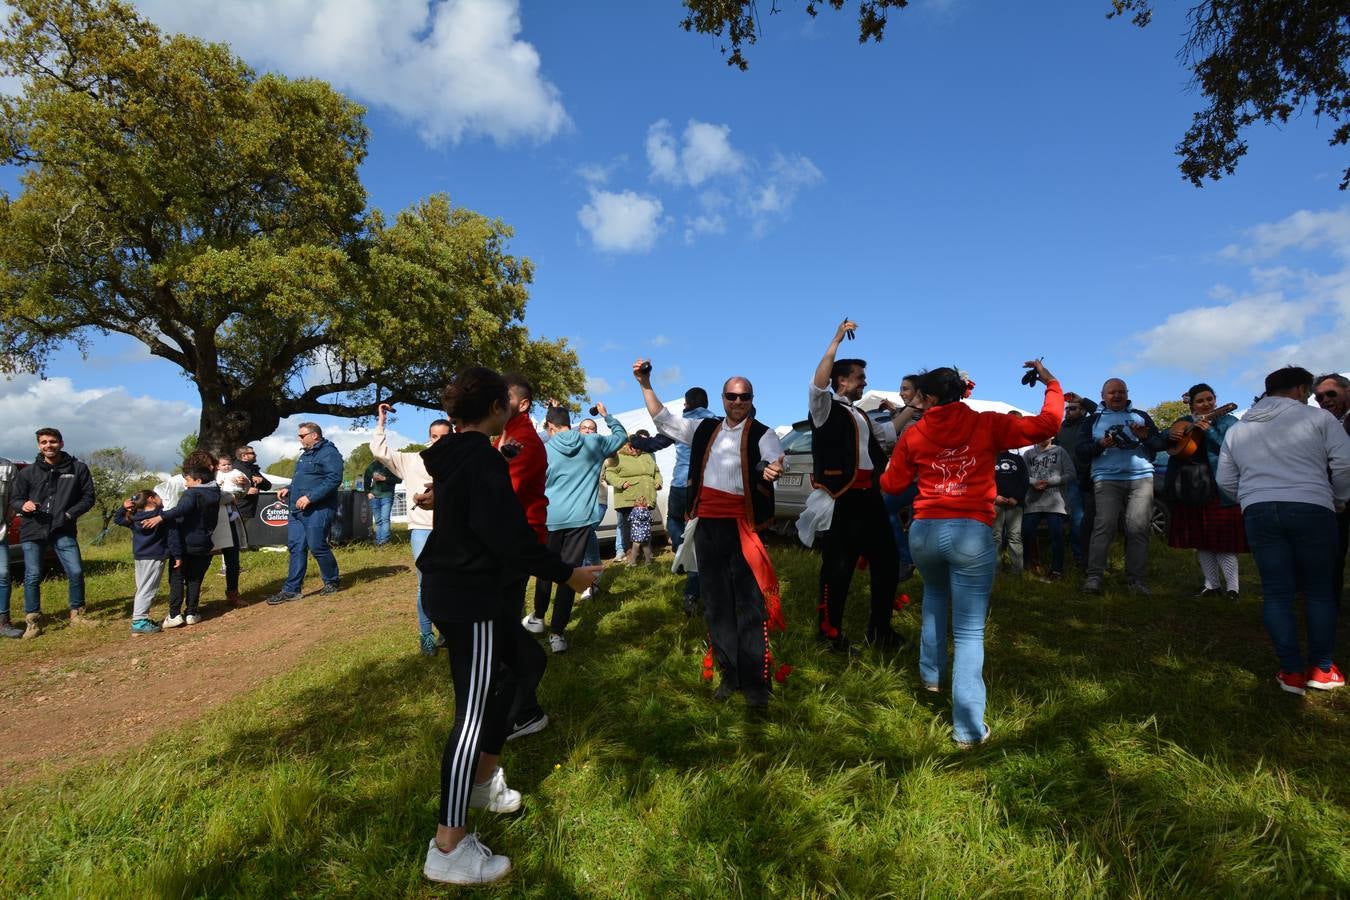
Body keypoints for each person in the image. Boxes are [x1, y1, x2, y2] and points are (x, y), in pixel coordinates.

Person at [416, 367, 600, 885]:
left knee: (527, 662)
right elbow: (508, 537)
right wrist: (569, 573)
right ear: (498, 407)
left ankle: (481, 780)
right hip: (468, 595)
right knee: (470, 716)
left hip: (468, 588)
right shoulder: (477, 460)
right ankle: (447, 848)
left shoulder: (462, 456)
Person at [881, 360, 1062, 748]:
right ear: (962, 392)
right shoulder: (988, 423)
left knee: (932, 596)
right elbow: (1047, 426)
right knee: (968, 630)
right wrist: (1051, 384)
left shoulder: (913, 434)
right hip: (970, 531)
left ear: (927, 398)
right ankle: (967, 729)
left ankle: (930, 675)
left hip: (925, 530)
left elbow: (892, 483)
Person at [636, 359, 786, 707]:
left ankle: (755, 685)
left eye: (744, 397)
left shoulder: (764, 433)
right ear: (722, 398)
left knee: (749, 606)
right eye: (732, 397)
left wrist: (773, 468)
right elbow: (663, 420)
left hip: (742, 528)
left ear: (752, 399)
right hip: (707, 527)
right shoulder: (703, 428)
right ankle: (729, 674)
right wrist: (645, 384)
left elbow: (775, 458)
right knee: (716, 605)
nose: (737, 402)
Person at [1217, 366, 1350, 694]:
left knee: (1276, 592)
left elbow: (1224, 481)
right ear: (1301, 388)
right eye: (1308, 392)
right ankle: (1321, 669)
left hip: (1259, 510)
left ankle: (1290, 671)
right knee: (1319, 590)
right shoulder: (1319, 420)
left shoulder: (1239, 429)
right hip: (1313, 506)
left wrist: (1248, 498)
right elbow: (1345, 464)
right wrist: (1340, 498)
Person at [799, 320, 905, 652]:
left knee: (888, 562)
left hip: (869, 498)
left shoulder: (860, 414)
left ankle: (880, 630)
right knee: (838, 569)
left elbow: (888, 434)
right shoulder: (824, 407)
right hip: (842, 498)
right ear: (841, 381)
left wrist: (914, 408)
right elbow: (817, 385)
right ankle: (830, 635)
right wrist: (834, 341)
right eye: (860, 377)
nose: (865, 382)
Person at [526, 403, 627, 652]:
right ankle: (558, 635)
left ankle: (538, 618)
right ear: (569, 424)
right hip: (581, 520)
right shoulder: (592, 443)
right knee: (569, 576)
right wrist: (607, 416)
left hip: (550, 518)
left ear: (550, 427)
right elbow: (622, 437)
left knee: (545, 570)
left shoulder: (545, 450)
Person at [495, 373, 552, 741]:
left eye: (502, 397)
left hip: (515, 543)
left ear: (523, 403)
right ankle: (513, 704)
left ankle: (524, 711)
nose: (495, 403)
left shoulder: (523, 440)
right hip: (506, 540)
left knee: (502, 626)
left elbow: (502, 492)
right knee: (500, 623)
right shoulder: (504, 435)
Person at [371, 406, 452, 654]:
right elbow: (379, 451)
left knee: (451, 584)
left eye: (444, 436)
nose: (438, 441)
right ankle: (426, 634)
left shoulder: (459, 460)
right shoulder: (413, 459)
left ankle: (447, 632)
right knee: (425, 584)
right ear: (429, 436)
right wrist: (381, 423)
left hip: (451, 529)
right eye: (434, 436)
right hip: (422, 529)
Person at [1076, 379, 1167, 595]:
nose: (1116, 396)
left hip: (1141, 476)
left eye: (1120, 392)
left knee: (1138, 529)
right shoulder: (1093, 421)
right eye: (1111, 392)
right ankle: (1094, 577)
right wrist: (1099, 445)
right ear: (1103, 395)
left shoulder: (1141, 416)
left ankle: (1136, 580)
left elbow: (1160, 445)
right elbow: (1080, 451)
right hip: (1106, 478)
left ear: (1127, 393)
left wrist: (1146, 437)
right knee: (1104, 526)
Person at [10, 427, 96, 636]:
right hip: (33, 529)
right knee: (32, 575)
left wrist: (69, 514)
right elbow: (15, 499)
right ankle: (33, 621)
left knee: (75, 571)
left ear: (61, 443)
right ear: (39, 446)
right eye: (44, 442)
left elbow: (88, 497)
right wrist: (24, 506)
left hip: (62, 528)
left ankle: (77, 613)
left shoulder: (78, 468)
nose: (48, 445)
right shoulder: (29, 472)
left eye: (53, 441)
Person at [1164, 384, 1246, 599]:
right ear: (1191, 404)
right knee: (1200, 538)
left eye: (1210, 399)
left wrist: (1209, 431)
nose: (1206, 404)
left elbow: (1233, 447)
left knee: (1223, 539)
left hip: (1220, 485)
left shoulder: (1228, 421)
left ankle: (1233, 588)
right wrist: (1171, 432)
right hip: (1192, 486)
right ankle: (1211, 585)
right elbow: (1166, 438)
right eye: (1200, 401)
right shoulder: (1184, 420)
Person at [267, 422, 343, 605]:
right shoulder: (305, 455)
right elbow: (304, 480)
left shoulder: (329, 453)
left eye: (302, 436)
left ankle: (332, 581)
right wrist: (288, 488)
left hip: (318, 509)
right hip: (296, 509)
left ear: (314, 435)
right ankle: (291, 590)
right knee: (296, 547)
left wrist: (310, 497)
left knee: (317, 546)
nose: (299, 439)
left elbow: (334, 479)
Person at [144, 458, 221, 627]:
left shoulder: (192, 493)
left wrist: (161, 517)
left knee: (177, 578)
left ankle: (174, 615)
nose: (186, 484)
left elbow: (182, 509)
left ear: (198, 481)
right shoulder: (215, 492)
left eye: (188, 480)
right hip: (204, 542)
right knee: (195, 579)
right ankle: (192, 613)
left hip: (185, 542)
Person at [880, 373, 922, 583]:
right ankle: (905, 559)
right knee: (885, 509)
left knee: (917, 522)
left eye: (906, 388)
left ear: (919, 393)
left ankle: (910, 560)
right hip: (905, 481)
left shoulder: (928, 417)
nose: (901, 392)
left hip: (922, 482)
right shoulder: (904, 416)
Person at [1313, 373, 1350, 605]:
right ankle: (1330, 603)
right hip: (1338, 497)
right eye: (1318, 397)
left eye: (1330, 394)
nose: (1324, 400)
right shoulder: (1327, 424)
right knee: (1334, 552)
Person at [114, 490, 170, 633]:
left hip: (140, 556)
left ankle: (140, 619)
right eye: (158, 496)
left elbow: (117, 519)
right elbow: (171, 513)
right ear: (151, 499)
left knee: (142, 587)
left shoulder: (134, 517)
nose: (161, 498)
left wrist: (123, 508)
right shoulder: (159, 516)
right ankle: (139, 621)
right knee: (148, 589)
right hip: (154, 556)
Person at [1021, 435, 1075, 579]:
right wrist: (1033, 482)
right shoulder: (1028, 453)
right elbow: (1022, 475)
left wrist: (1050, 481)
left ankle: (1056, 569)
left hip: (1055, 501)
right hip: (1033, 501)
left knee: (1057, 534)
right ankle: (1028, 565)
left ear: (1052, 436)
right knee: (1026, 531)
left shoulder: (1060, 451)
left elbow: (1071, 474)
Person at [604, 432, 662, 565]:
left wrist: (658, 482)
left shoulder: (647, 455)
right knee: (629, 527)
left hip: (646, 497)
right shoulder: (618, 456)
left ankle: (646, 554)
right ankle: (631, 554)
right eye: (632, 444)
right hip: (627, 498)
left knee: (645, 526)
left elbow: (656, 472)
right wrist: (621, 483)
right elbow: (609, 473)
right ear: (627, 444)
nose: (635, 447)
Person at [1053, 393, 1092, 567]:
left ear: (1083, 411)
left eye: (1073, 408)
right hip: (1071, 478)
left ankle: (1092, 554)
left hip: (1090, 476)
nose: (1068, 411)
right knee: (1077, 518)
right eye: (1067, 409)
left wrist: (1081, 399)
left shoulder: (1089, 424)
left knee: (1092, 518)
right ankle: (1079, 556)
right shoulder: (1061, 428)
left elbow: (1098, 410)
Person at [992, 420, 1030, 575]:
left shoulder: (1018, 459)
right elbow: (984, 480)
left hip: (1015, 504)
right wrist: (995, 497)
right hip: (996, 502)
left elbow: (1024, 480)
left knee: (1014, 537)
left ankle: (1017, 572)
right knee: (995, 537)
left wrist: (1016, 497)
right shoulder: (990, 458)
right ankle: (995, 571)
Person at [215, 454, 248, 605]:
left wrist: (244, 484)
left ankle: (232, 594)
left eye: (229, 464)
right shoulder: (213, 477)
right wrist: (229, 496)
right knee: (202, 561)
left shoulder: (236, 473)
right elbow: (215, 496)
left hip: (231, 518)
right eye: (223, 465)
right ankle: (192, 602)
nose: (226, 467)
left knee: (233, 560)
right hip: (214, 521)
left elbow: (244, 489)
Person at [0, 455, 22, 638]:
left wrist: (4, 523)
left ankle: (3, 623)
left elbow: (14, 501)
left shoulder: (7, 467)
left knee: (3, 574)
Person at [363, 456, 401, 547]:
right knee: (378, 521)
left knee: (385, 519)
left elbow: (399, 479)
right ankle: (378, 541)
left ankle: (384, 541)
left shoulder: (391, 465)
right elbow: (366, 480)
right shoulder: (372, 466)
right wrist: (368, 492)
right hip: (374, 496)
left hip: (387, 496)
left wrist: (384, 479)